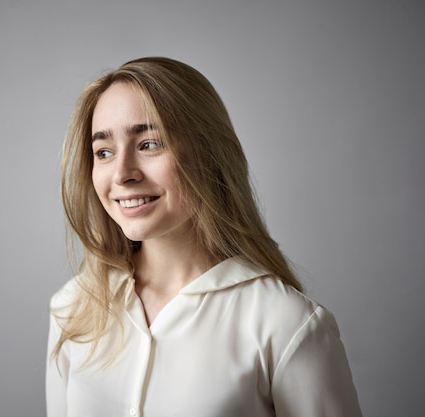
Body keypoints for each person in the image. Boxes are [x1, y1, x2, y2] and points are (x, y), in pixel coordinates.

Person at [46, 57, 362, 417]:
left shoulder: (286, 324)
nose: (121, 174)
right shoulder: (72, 310)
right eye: (104, 152)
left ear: (208, 153)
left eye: (149, 144)